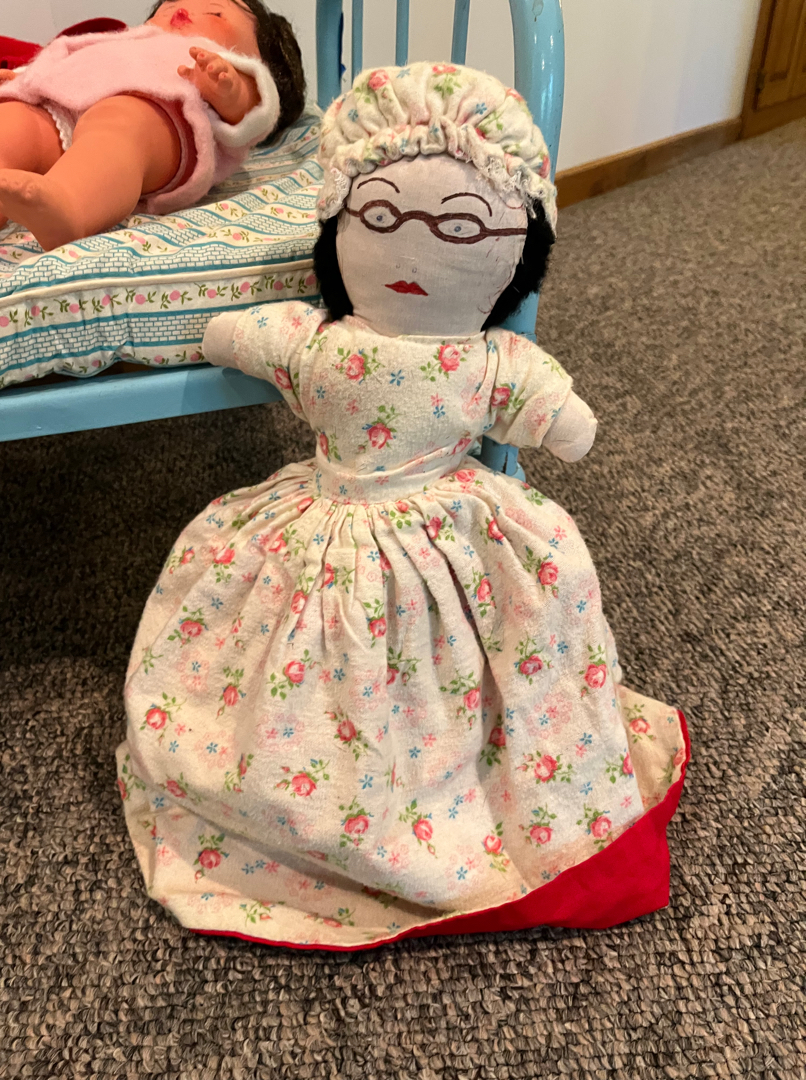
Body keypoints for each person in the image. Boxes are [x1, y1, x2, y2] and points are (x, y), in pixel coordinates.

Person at [117, 63, 688, 950]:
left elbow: (556, 415)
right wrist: (232, 332)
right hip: (334, 502)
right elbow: (248, 335)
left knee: (506, 616)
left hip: (446, 509)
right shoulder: (328, 345)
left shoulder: (481, 358)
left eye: (459, 228)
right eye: (381, 218)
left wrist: (560, 415)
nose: (416, 248)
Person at [0, 0, 304, 249]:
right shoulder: (123, 40)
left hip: (160, 117)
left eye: (215, 12)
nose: (183, 9)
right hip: (62, 107)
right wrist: (28, 77)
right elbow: (68, 54)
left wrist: (230, 89)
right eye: (169, 4)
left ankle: (69, 204)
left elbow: (258, 110)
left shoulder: (220, 63)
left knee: (118, 125)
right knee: (14, 120)